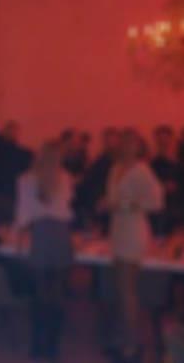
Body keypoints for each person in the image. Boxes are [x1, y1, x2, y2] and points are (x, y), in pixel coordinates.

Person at [100, 128, 163, 363]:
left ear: (139, 146)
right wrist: (108, 204)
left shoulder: (142, 171)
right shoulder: (115, 168)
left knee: (128, 291)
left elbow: (156, 203)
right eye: (124, 141)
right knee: (120, 290)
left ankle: (132, 346)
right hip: (117, 229)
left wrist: (123, 206)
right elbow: (113, 199)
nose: (127, 146)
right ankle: (121, 340)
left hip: (134, 230)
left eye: (132, 142)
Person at [15, 141, 74, 362]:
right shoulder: (65, 178)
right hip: (60, 233)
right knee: (57, 295)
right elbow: (66, 209)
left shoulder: (26, 179)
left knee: (39, 294)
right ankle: (53, 346)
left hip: (40, 234)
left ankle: (37, 344)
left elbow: (23, 213)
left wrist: (18, 240)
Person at [0, 115, 33, 224]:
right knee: (3, 225)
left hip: (5, 193)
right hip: (4, 193)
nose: (12, 134)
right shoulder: (18, 152)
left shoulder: (17, 152)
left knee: (1, 225)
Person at [74, 127, 121, 233]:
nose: (109, 144)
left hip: (116, 203)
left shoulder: (121, 163)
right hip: (101, 200)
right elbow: (91, 180)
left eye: (111, 141)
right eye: (107, 141)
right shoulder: (101, 160)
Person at [150, 125, 181, 235]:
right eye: (160, 143)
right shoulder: (152, 166)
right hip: (159, 215)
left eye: (166, 142)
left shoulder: (179, 164)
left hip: (178, 213)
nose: (164, 146)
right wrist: (162, 187)